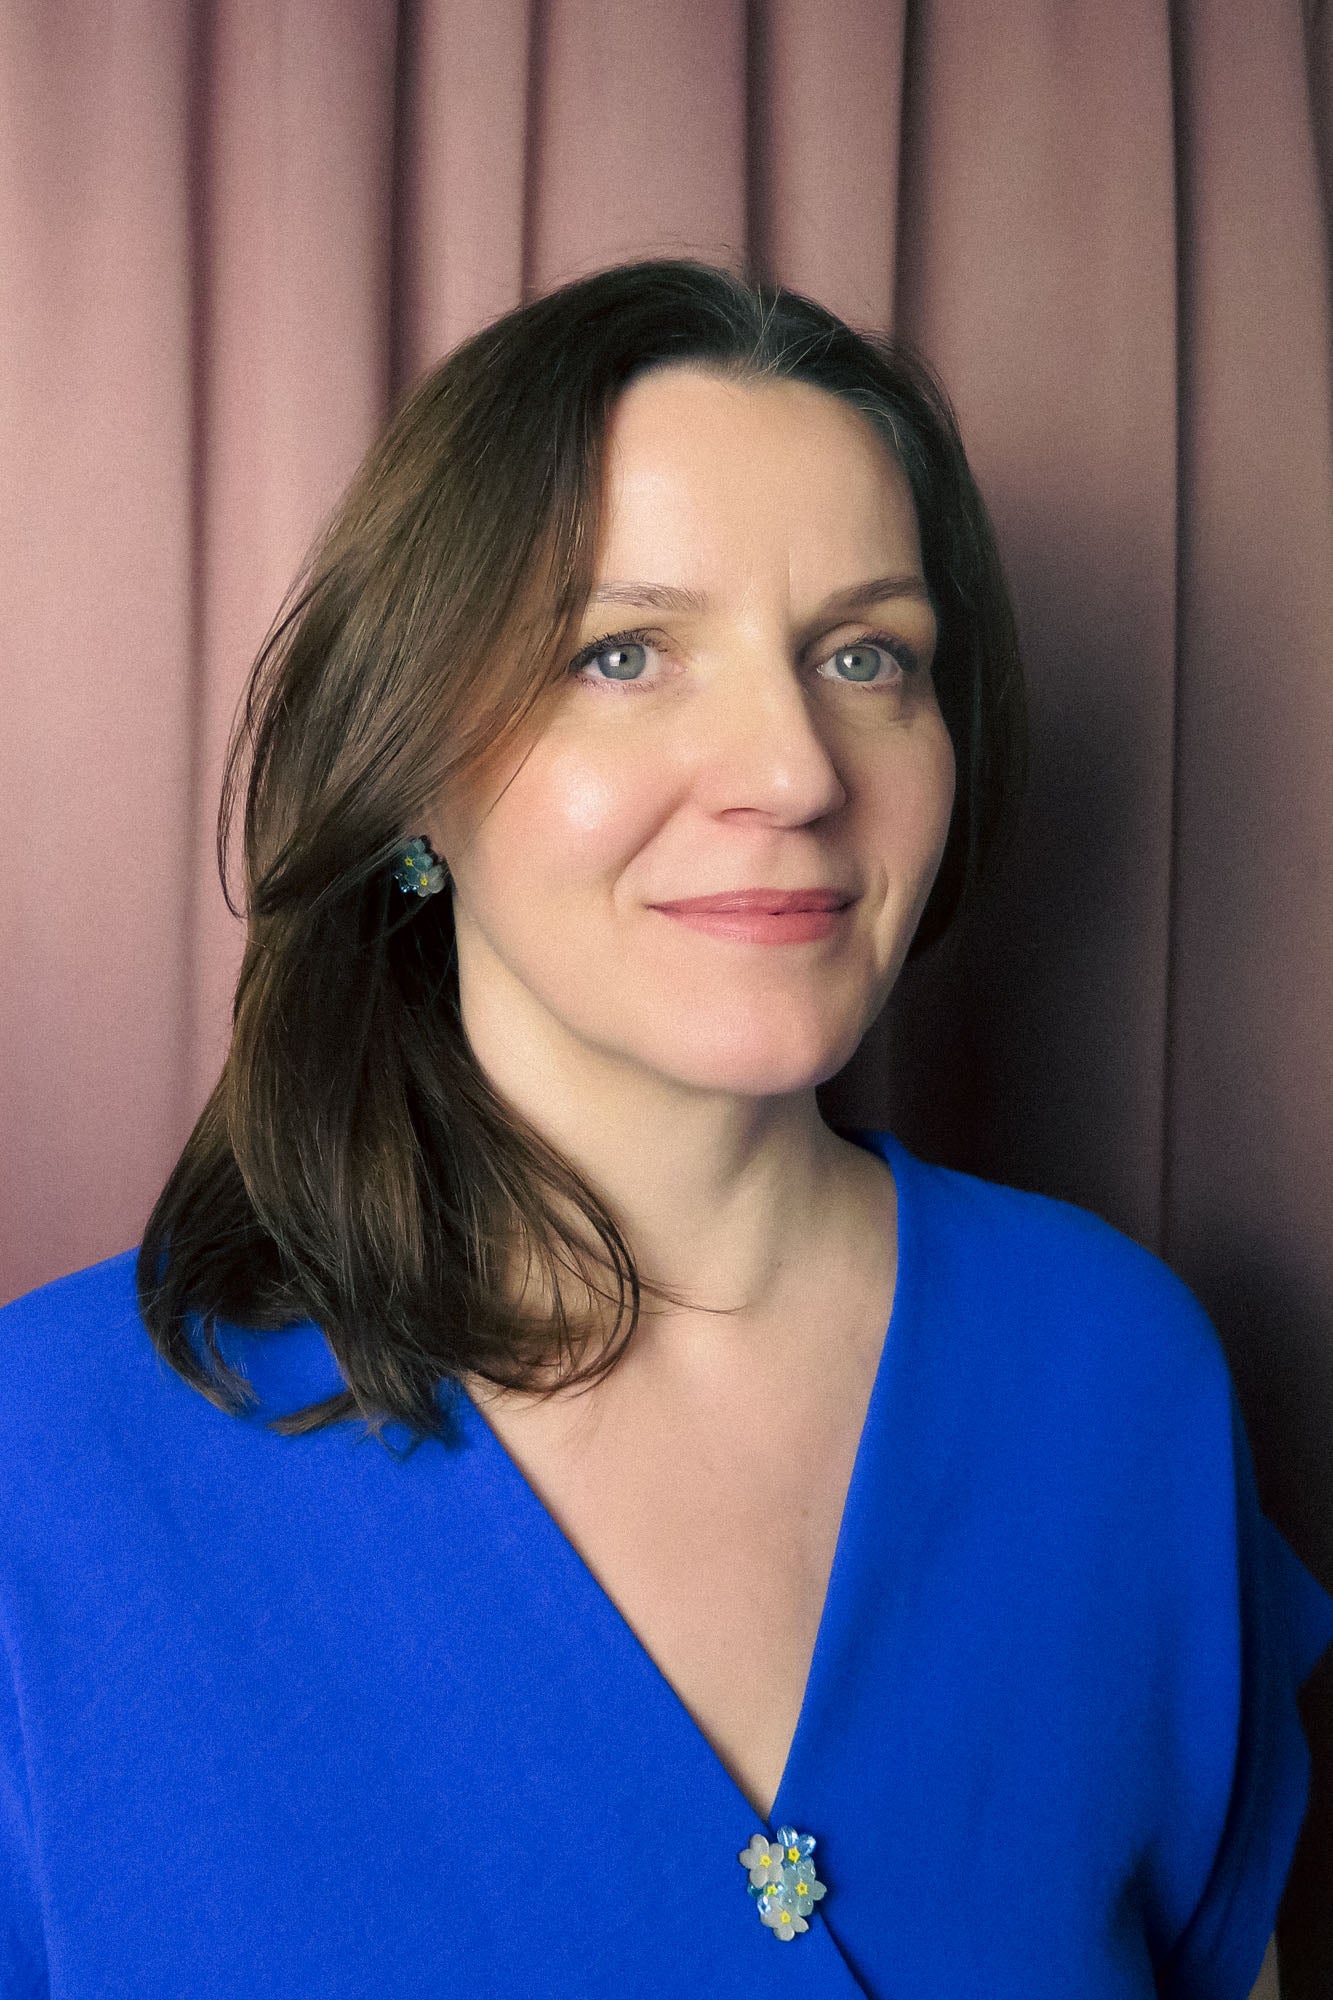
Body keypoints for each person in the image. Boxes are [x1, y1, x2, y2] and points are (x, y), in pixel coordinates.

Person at [1, 258, 1328, 2000]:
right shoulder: (45, 1470)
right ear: (407, 772)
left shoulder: (1116, 1374)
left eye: (867, 654)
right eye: (623, 653)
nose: (792, 769)